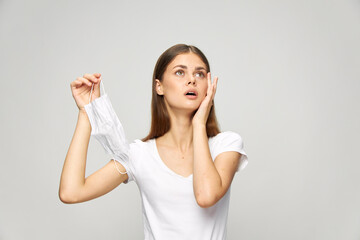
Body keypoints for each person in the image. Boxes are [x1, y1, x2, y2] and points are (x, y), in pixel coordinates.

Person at [59, 44, 249, 240]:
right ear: (159, 86)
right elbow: (71, 192)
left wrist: (199, 123)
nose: (192, 80)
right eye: (180, 72)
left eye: (200, 74)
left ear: (209, 86)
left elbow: (206, 196)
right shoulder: (139, 154)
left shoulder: (226, 145)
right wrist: (86, 113)